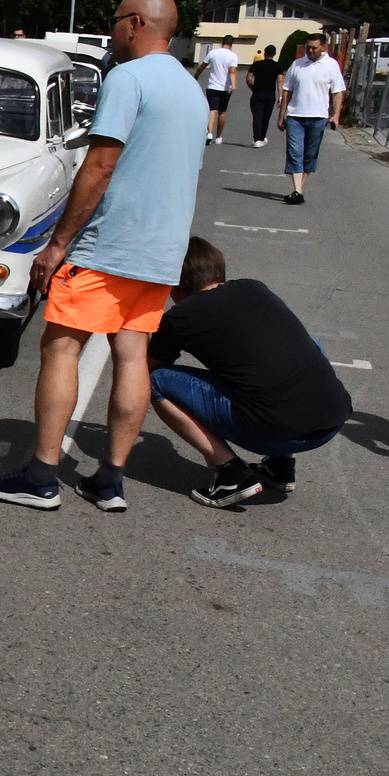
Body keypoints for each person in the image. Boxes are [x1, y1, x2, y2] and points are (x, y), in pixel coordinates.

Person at [0, 0, 207, 513]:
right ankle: (110, 477)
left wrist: (57, 244)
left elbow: (100, 166)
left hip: (110, 243)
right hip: (162, 247)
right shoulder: (191, 90)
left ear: (133, 23)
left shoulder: (128, 79)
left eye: (114, 23)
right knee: (132, 355)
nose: (113, 34)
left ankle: (41, 474)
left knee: (61, 347)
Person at [148, 237, 351, 507]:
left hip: (276, 430)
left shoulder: (180, 316)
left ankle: (230, 473)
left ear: (174, 283)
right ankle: (280, 466)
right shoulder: (254, 288)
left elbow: (149, 367)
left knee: (155, 382)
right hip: (331, 422)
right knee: (302, 346)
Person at [276, 33, 346, 204]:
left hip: (318, 117)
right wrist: (282, 114)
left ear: (324, 47)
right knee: (294, 152)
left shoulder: (331, 65)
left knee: (309, 154)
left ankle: (298, 191)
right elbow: (287, 90)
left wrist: (336, 115)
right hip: (295, 116)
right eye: (308, 47)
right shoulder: (297, 64)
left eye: (314, 48)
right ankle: (297, 190)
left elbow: (337, 92)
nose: (310, 51)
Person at [194, 34, 240, 144]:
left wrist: (196, 75)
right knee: (222, 112)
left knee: (212, 110)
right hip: (225, 88)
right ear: (231, 44)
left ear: (222, 42)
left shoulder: (213, 53)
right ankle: (219, 137)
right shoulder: (233, 56)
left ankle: (209, 133)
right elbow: (232, 71)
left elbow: (202, 66)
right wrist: (233, 85)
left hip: (212, 86)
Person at [245, 44, 279, 147]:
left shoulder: (256, 65)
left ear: (264, 53)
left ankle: (256, 139)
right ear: (274, 54)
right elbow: (280, 82)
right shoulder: (277, 66)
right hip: (270, 95)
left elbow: (249, 79)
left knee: (257, 116)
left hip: (257, 94)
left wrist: (253, 88)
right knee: (266, 117)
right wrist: (281, 96)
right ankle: (262, 137)